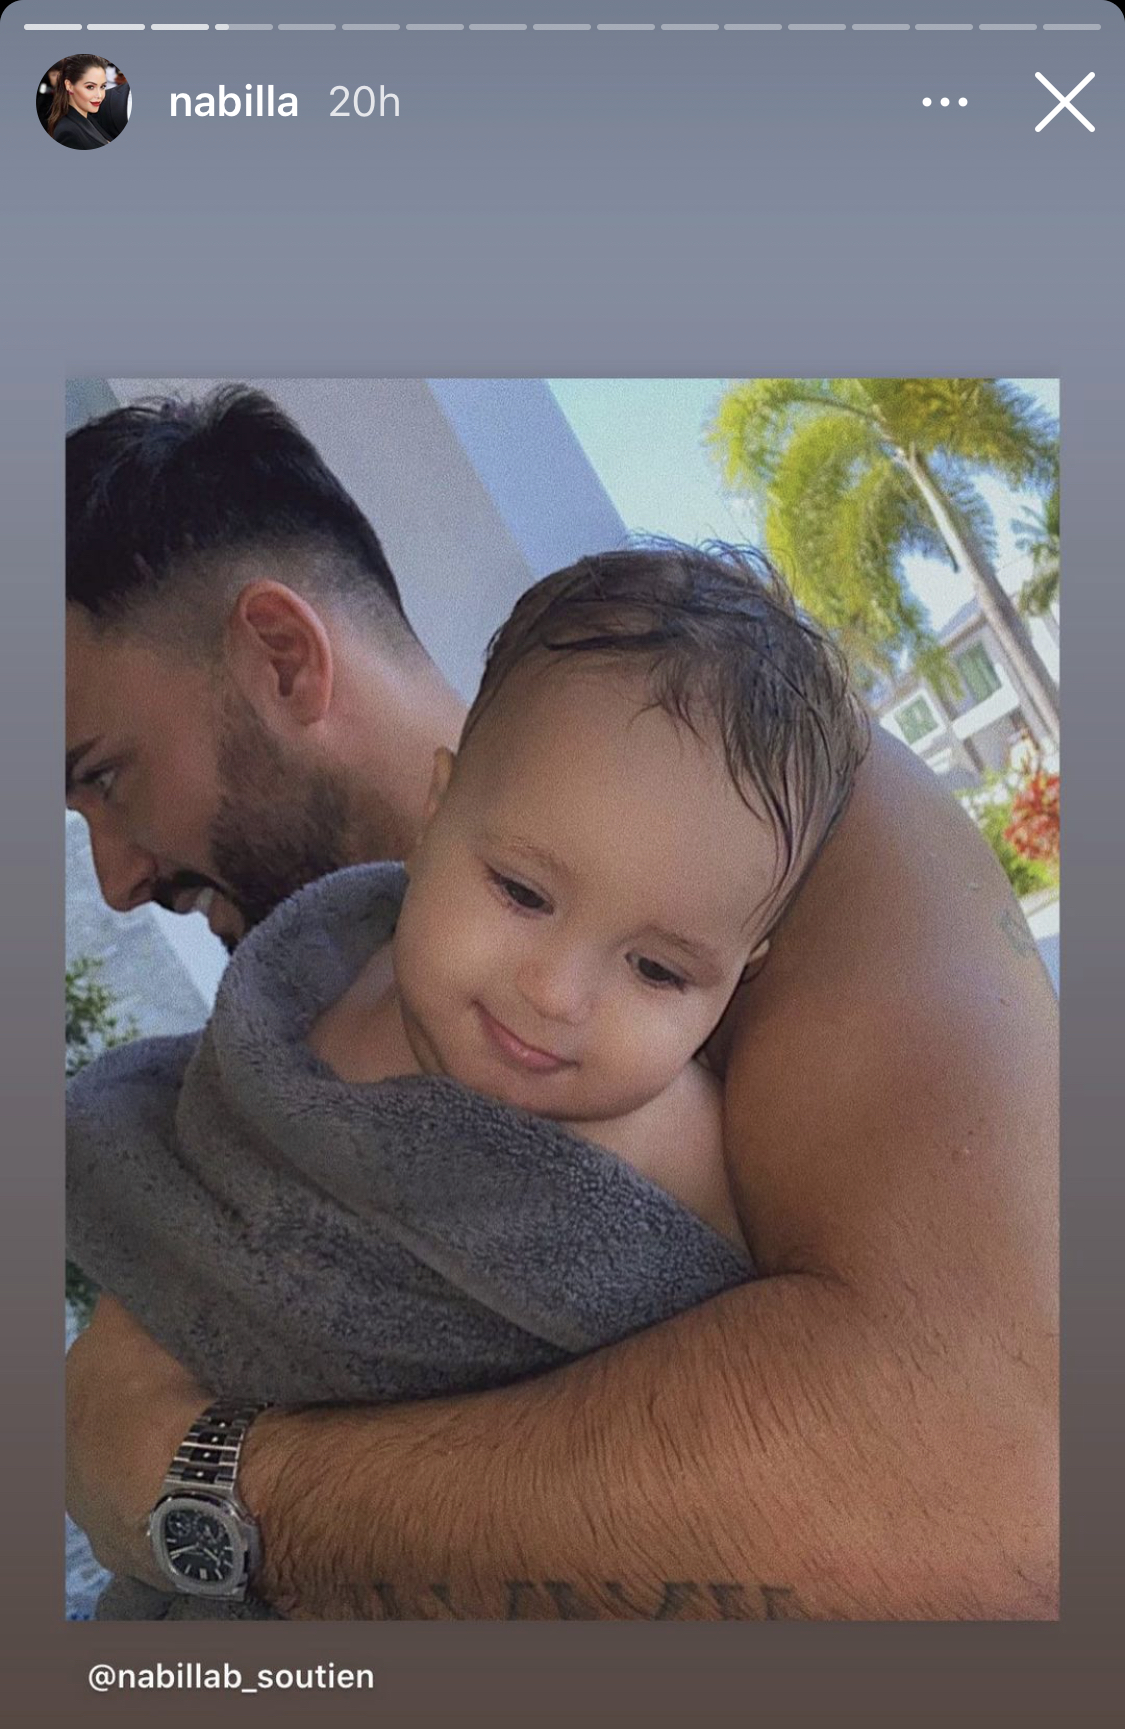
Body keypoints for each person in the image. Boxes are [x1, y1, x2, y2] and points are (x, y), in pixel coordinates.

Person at [65, 387, 1059, 1623]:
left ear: (282, 657)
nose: (115, 877)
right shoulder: (305, 992)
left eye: (106, 777)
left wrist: (211, 1480)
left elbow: (994, 1502)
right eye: (523, 893)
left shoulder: (793, 804)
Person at [47, 56, 113, 151]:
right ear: (69, 86)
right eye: (90, 87)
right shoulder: (68, 132)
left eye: (102, 86)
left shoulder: (88, 118)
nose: (99, 95)